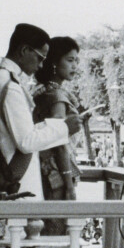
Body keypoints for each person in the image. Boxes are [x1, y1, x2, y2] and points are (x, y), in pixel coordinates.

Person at [0, 24, 82, 197]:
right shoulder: (10, 86)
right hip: (15, 182)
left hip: (1, 176)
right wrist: (65, 128)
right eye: (40, 58)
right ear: (24, 50)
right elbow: (26, 141)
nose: (41, 65)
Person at [32, 36, 84, 235]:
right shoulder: (57, 98)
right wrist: (69, 186)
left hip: (41, 173)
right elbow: (59, 142)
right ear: (54, 62)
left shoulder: (39, 91)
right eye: (70, 60)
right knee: (56, 237)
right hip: (56, 177)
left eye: (76, 61)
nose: (75, 66)